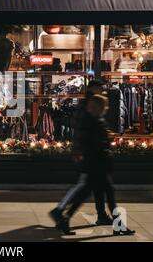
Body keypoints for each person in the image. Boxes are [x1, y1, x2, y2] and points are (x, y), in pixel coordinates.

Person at [54, 95, 135, 236]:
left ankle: (65, 219)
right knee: (108, 195)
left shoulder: (91, 121)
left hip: (94, 165)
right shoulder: (95, 122)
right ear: (98, 108)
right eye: (104, 106)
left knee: (87, 195)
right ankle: (118, 226)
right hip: (98, 165)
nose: (107, 108)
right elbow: (97, 145)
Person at [49, 80, 112, 234]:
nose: (103, 91)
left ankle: (101, 214)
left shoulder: (89, 103)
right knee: (82, 187)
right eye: (100, 88)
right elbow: (81, 130)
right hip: (87, 155)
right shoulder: (89, 105)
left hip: (88, 154)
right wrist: (79, 151)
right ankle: (60, 211)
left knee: (93, 187)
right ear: (93, 89)